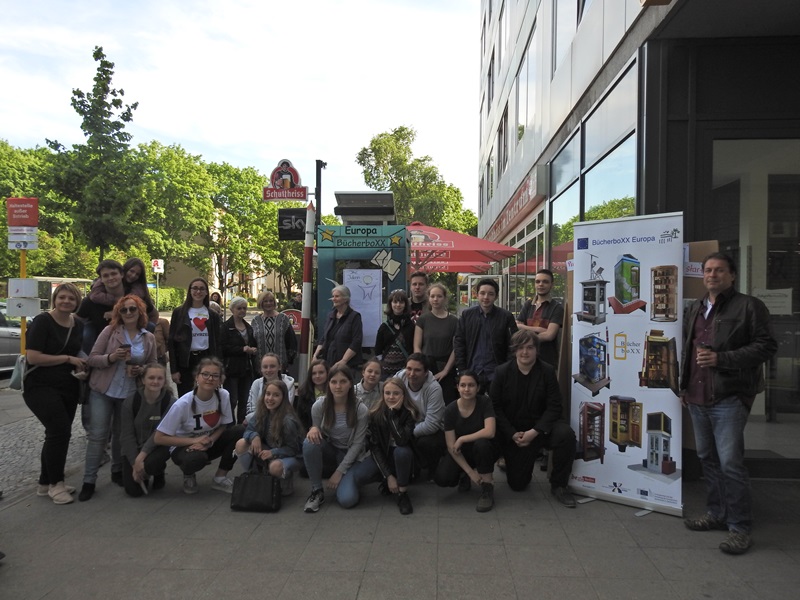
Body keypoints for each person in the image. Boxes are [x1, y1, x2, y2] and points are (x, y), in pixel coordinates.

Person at [680, 252, 777, 555]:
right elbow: (687, 350)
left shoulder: (749, 306)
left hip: (729, 396)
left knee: (731, 464)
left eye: (719, 270)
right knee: (708, 459)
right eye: (708, 270)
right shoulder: (695, 307)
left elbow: (766, 346)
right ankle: (717, 513)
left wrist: (722, 359)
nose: (712, 275)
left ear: (732, 275)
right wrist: (682, 386)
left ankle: (739, 527)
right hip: (697, 396)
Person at [80, 295, 158, 501]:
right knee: (98, 435)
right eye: (124, 310)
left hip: (129, 393)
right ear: (118, 313)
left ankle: (117, 471)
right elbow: (92, 358)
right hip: (103, 390)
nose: (129, 313)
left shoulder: (148, 337)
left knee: (120, 435)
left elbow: (154, 365)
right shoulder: (110, 331)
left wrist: (142, 369)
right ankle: (89, 481)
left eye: (133, 309)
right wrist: (112, 357)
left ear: (140, 312)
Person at [490, 330, 577, 508]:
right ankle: (510, 462)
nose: (525, 352)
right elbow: (494, 408)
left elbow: (555, 406)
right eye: (521, 347)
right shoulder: (501, 372)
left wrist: (535, 431)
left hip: (539, 430)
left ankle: (559, 485)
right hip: (513, 432)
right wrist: (512, 433)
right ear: (514, 350)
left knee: (566, 434)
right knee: (518, 485)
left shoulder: (547, 371)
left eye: (530, 347)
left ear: (537, 350)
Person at [23, 283, 87, 505]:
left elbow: (77, 351)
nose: (66, 301)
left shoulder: (77, 324)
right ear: (55, 299)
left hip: (68, 385)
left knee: (58, 433)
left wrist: (81, 364)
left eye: (71, 298)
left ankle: (44, 483)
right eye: (62, 297)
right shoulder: (42, 322)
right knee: (59, 431)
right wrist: (67, 359)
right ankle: (56, 484)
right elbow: (33, 357)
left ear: (77, 302)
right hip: (39, 386)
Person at [153, 358, 244, 494]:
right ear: (197, 377)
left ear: (220, 380)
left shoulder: (223, 395)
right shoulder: (183, 404)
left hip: (208, 442)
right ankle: (189, 474)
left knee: (240, 431)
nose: (210, 378)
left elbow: (224, 425)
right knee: (195, 459)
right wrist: (195, 441)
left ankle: (220, 478)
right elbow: (159, 438)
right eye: (205, 374)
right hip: (183, 447)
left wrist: (210, 440)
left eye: (215, 375)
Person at [301, 365, 370, 512]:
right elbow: (316, 429)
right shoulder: (319, 405)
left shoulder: (360, 409)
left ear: (350, 383)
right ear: (328, 384)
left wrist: (339, 472)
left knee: (347, 500)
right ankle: (317, 491)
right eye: (334, 382)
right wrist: (313, 428)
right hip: (332, 450)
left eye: (343, 381)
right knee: (309, 442)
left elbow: (358, 444)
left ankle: (350, 478)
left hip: (352, 454)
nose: (338, 386)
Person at [434, 370, 497, 512]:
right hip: (461, 452)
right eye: (463, 385)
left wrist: (462, 438)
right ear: (457, 387)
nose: (467, 389)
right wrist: (470, 472)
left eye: (471, 385)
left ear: (478, 388)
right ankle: (464, 475)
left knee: (482, 444)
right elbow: (451, 445)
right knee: (442, 478)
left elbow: (490, 431)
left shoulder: (484, 402)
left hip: (482, 449)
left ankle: (487, 488)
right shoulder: (450, 409)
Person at [234, 379, 304, 496]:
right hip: (269, 449)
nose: (270, 398)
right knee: (241, 444)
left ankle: (285, 480)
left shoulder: (288, 421)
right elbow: (248, 430)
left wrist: (273, 452)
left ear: (283, 398)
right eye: (268, 394)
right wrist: (254, 436)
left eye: (276, 395)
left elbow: (294, 450)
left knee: (275, 467)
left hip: (290, 455)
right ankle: (253, 477)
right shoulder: (262, 411)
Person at [364, 377, 419, 515]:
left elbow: (402, 440)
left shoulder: (410, 412)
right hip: (385, 456)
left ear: (403, 395)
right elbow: (375, 447)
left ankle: (402, 493)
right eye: (387, 393)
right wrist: (388, 476)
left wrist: (392, 414)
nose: (391, 397)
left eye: (396, 393)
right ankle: (387, 479)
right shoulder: (375, 414)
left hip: (403, 457)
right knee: (363, 475)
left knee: (402, 452)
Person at [119, 363, 175, 497]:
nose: (155, 381)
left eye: (159, 378)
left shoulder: (170, 403)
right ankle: (143, 472)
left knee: (152, 463)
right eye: (151, 378)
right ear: (143, 380)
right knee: (134, 492)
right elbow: (127, 435)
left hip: (158, 446)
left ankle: (158, 472)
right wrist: (135, 464)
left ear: (164, 381)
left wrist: (141, 458)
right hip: (135, 447)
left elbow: (160, 433)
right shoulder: (130, 402)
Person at [454, 278, 518, 394]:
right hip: (473, 371)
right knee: (473, 404)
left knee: (497, 403)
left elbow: (513, 345)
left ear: (496, 296)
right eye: (482, 293)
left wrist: (506, 369)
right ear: (477, 295)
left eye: (490, 294)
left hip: (496, 372)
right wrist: (463, 370)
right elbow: (459, 343)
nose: (486, 297)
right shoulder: (467, 315)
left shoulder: (506, 317)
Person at [168, 278, 221, 397]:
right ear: (190, 291)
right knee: (186, 396)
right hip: (186, 361)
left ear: (206, 292)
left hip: (206, 359)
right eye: (195, 288)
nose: (198, 292)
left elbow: (217, 343)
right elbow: (172, 342)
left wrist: (219, 369)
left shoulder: (213, 315)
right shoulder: (179, 312)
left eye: (202, 289)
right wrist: (174, 370)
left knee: (205, 395)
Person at [396, 353, 446, 477]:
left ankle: (432, 467)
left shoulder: (434, 388)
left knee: (427, 443)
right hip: (407, 425)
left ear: (426, 372)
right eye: (409, 368)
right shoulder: (399, 378)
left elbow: (432, 424)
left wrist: (406, 434)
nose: (411, 374)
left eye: (417, 370)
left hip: (432, 430)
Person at [414, 282, 458, 405]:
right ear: (428, 298)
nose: (435, 299)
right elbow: (417, 346)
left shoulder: (454, 321)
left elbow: (456, 348)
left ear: (445, 298)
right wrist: (422, 367)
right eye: (432, 296)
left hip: (447, 367)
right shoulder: (423, 319)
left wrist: (446, 370)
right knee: (425, 402)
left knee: (448, 401)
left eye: (439, 296)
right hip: (426, 366)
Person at [220, 297, 259, 423]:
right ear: (232, 309)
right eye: (239, 308)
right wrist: (242, 349)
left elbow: (253, 344)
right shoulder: (226, 327)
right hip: (231, 369)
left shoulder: (249, 327)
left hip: (246, 369)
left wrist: (253, 350)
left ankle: (242, 426)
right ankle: (229, 425)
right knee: (231, 400)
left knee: (245, 399)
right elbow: (222, 348)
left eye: (244, 308)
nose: (242, 311)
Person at [515, 269, 564, 369]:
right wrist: (539, 329)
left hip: (547, 361)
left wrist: (524, 331)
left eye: (545, 282)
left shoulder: (557, 308)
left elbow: (549, 335)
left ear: (552, 285)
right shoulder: (528, 304)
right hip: (525, 360)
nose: (541, 284)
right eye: (538, 281)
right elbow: (517, 326)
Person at [78, 259, 126, 354]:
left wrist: (117, 313)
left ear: (122, 274)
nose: (110, 278)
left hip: (128, 343)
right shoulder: (90, 301)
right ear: (101, 279)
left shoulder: (133, 296)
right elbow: (76, 320)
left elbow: (150, 315)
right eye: (105, 275)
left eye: (113, 274)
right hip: (96, 347)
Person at [313, 284, 363, 371]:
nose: (333, 299)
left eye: (337, 296)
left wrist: (343, 361)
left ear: (345, 299)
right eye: (333, 296)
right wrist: (315, 356)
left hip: (347, 366)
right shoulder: (330, 316)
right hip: (328, 362)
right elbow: (324, 338)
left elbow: (356, 341)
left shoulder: (354, 317)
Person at [251, 290, 297, 373]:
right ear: (261, 303)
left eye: (271, 301)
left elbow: (291, 341)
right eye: (265, 301)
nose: (268, 303)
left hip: (280, 365)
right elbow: (252, 342)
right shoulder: (256, 321)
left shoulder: (283, 319)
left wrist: (288, 359)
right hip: (261, 366)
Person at [374, 289, 415, 381]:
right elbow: (378, 350)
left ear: (405, 305)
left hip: (405, 371)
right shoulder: (384, 327)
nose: (398, 305)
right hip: (386, 372)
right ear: (390, 304)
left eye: (401, 302)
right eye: (395, 302)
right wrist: (381, 365)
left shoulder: (411, 326)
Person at [294, 359, 328, 431]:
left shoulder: (334, 392)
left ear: (327, 373)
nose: (317, 376)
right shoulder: (303, 394)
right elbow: (300, 420)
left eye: (321, 372)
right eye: (314, 373)